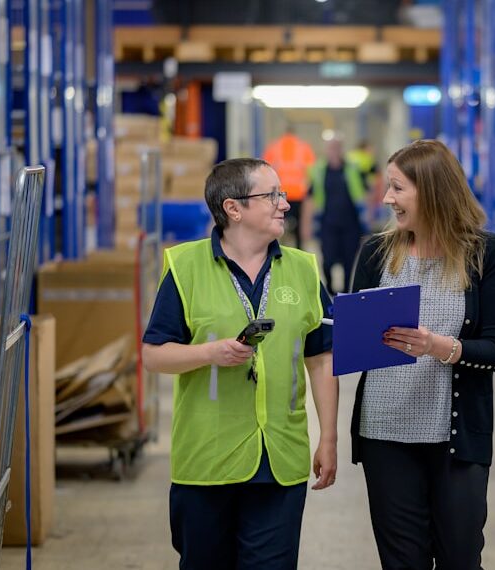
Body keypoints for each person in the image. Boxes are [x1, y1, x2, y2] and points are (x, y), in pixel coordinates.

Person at [142, 158, 338, 570]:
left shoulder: (302, 270)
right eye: (272, 196)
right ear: (234, 208)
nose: (284, 204)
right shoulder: (186, 267)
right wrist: (208, 353)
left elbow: (321, 357)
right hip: (207, 460)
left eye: (282, 194)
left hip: (280, 458)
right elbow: (153, 354)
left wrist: (330, 438)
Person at [348, 140, 495, 570]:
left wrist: (439, 347)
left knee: (461, 558)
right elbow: (352, 345)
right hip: (385, 433)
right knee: (403, 561)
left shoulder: (485, 254)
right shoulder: (375, 253)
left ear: (433, 190)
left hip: (455, 440)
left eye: (398, 188)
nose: (387, 198)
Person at [303, 137, 374, 294]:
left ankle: (345, 293)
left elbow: (367, 192)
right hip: (328, 224)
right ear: (326, 150)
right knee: (327, 260)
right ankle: (330, 289)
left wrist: (369, 217)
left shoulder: (353, 169)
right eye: (331, 147)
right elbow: (309, 199)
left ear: (342, 149)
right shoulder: (319, 171)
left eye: (337, 147)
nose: (334, 151)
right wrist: (306, 225)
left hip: (351, 224)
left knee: (350, 262)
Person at [263, 126, 316, 249]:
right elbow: (311, 172)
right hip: (299, 193)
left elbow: (264, 170)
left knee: (277, 224)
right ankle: (298, 250)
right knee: (298, 228)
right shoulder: (304, 147)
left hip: (279, 193)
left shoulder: (273, 147)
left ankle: (276, 250)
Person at [346, 139, 383, 228]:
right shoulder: (366, 158)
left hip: (349, 196)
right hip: (362, 195)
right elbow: (369, 178)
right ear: (365, 148)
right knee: (366, 220)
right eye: (371, 148)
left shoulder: (349, 156)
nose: (373, 151)